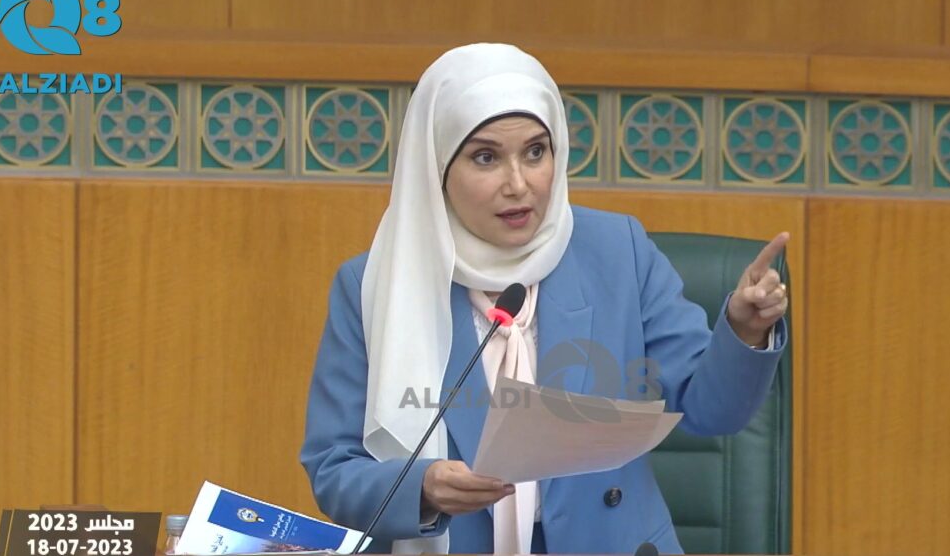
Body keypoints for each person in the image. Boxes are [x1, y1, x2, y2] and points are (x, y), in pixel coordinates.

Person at [300, 43, 789, 555]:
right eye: (486, 157)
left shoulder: (617, 251)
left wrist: (744, 330)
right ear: (437, 166)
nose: (519, 184)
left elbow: (713, 411)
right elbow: (334, 471)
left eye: (536, 152)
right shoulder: (373, 284)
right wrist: (421, 487)